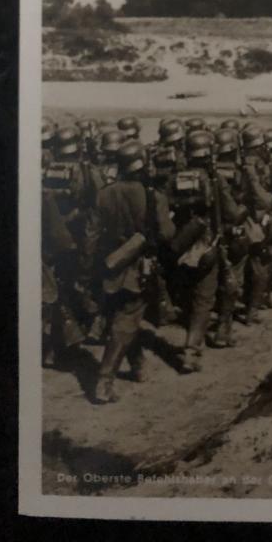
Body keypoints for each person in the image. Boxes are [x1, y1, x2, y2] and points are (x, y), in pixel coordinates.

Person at [93, 140, 175, 403]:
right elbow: (166, 233)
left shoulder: (104, 193)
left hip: (110, 264)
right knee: (126, 320)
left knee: (126, 316)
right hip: (138, 269)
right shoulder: (152, 195)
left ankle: (137, 366)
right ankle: (104, 382)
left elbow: (92, 233)